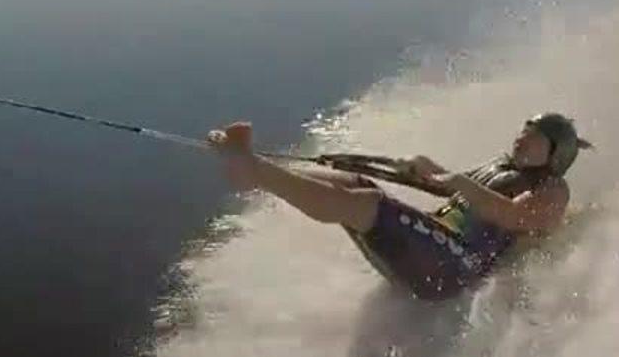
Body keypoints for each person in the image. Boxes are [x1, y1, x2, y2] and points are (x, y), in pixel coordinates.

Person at [207, 113, 589, 300]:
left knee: (369, 204)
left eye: (534, 139)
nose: (522, 139)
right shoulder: (503, 167)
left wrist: (456, 181)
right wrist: (423, 170)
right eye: (523, 132)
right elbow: (452, 189)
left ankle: (253, 171)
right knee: (356, 184)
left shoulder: (554, 191)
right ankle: (256, 168)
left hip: (455, 270)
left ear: (555, 155)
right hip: (435, 247)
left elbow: (517, 217)